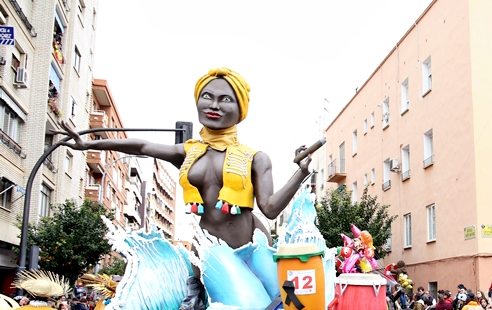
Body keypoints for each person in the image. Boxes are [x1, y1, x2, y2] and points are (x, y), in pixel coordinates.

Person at [61, 68, 311, 250]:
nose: (213, 105)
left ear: (240, 109)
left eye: (225, 99)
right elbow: (142, 145)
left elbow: (269, 209)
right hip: (205, 250)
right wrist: (89, 144)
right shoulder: (189, 151)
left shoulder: (255, 158)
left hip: (250, 250)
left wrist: (300, 173)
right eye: (207, 96)